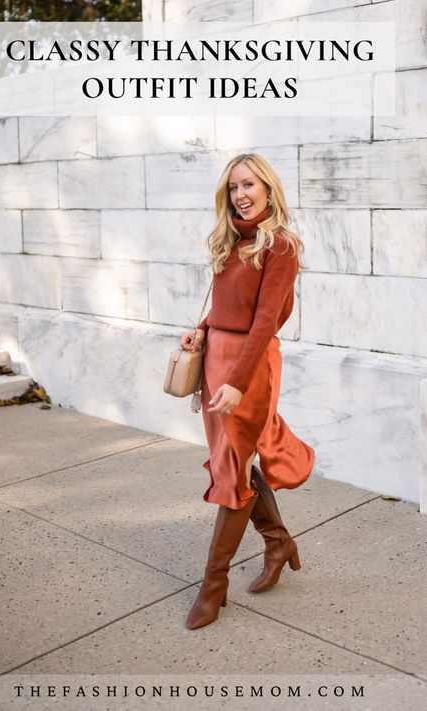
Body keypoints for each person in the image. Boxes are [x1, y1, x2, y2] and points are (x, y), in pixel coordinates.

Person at [180, 152, 316, 630]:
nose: (241, 193)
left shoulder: (280, 246)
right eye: (234, 186)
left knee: (232, 471)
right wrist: (201, 331)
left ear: (268, 189)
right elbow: (225, 304)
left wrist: (237, 382)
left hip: (248, 369)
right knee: (232, 463)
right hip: (216, 359)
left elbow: (263, 322)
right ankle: (278, 541)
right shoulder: (229, 240)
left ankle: (213, 585)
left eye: (249, 184)